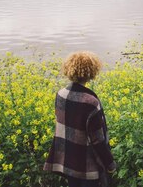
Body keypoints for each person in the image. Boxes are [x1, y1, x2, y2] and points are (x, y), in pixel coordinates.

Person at [44, 51, 116, 187]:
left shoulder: (60, 94)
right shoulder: (91, 102)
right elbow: (98, 140)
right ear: (91, 72)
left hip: (68, 161)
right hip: (87, 165)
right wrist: (110, 164)